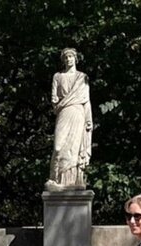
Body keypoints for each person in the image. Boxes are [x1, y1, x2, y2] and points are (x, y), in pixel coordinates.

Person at [47, 47, 93, 189]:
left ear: (75, 58)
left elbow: (86, 100)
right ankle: (55, 178)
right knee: (58, 147)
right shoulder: (57, 76)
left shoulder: (82, 77)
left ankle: (73, 182)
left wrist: (89, 119)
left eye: (71, 57)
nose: (68, 59)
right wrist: (60, 103)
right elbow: (54, 99)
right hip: (64, 112)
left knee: (74, 149)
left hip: (78, 113)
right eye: (66, 57)